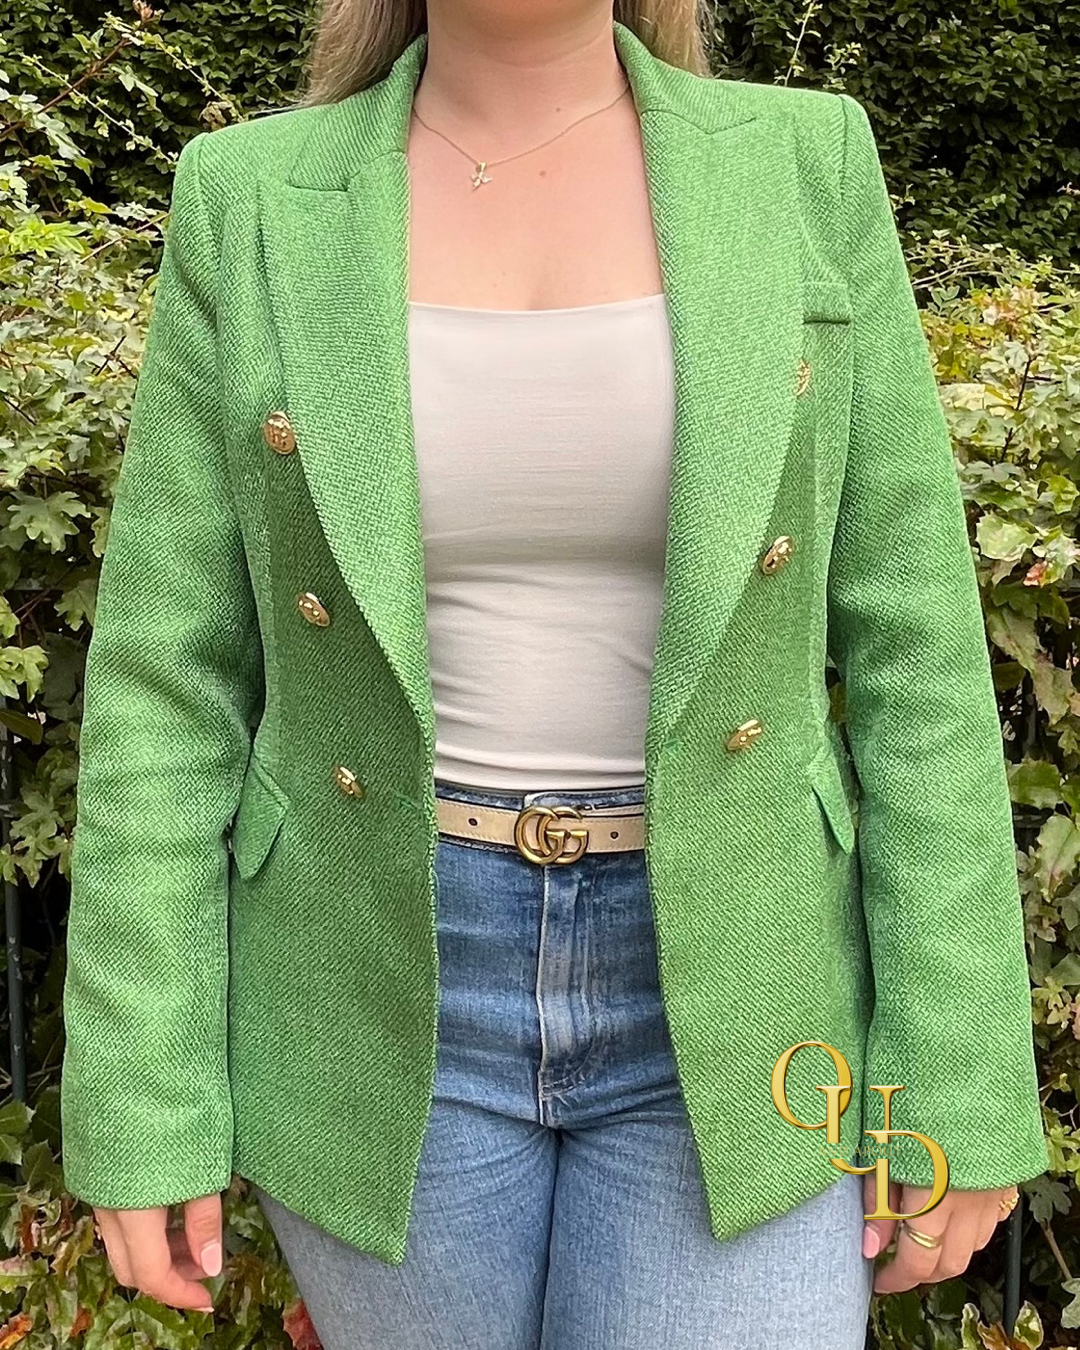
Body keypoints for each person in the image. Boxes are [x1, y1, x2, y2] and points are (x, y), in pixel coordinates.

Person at [59, 1, 1048, 1346]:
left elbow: (916, 651)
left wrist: (961, 1071)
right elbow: (166, 682)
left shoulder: (807, 163)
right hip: (369, 981)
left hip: (754, 985)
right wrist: (141, 1093)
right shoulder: (246, 198)